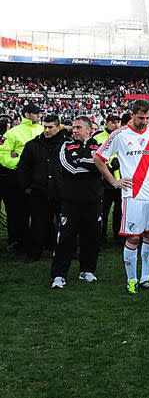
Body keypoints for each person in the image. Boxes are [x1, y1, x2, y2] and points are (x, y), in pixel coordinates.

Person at [94, 100, 149, 294]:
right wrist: (113, 182)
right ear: (131, 115)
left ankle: (146, 278)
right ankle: (131, 279)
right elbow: (99, 158)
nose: (144, 121)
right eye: (141, 117)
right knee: (133, 237)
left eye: (147, 118)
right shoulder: (120, 135)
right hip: (133, 193)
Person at [50, 117, 104, 288]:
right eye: (73, 127)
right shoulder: (65, 146)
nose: (74, 130)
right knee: (65, 239)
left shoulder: (99, 146)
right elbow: (69, 168)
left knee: (92, 238)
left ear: (89, 130)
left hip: (93, 201)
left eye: (79, 127)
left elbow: (104, 167)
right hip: (71, 201)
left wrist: (81, 160)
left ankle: (87, 270)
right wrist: (92, 163)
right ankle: (59, 275)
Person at [17, 114, 66, 263]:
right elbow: (23, 168)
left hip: (61, 192)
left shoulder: (66, 145)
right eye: (45, 126)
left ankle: (67, 250)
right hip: (39, 191)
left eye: (50, 127)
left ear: (58, 127)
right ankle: (34, 252)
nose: (47, 130)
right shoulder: (32, 145)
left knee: (65, 223)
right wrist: (27, 187)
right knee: (38, 224)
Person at [0, 103, 43, 252]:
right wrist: (19, 165)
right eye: (36, 113)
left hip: (38, 177)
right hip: (17, 178)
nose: (39, 115)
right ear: (26, 114)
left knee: (39, 212)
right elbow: (3, 154)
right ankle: (17, 241)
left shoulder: (43, 130)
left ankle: (36, 241)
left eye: (39, 113)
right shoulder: (12, 133)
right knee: (17, 212)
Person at [94, 114, 122, 243]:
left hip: (122, 178)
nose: (116, 125)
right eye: (113, 122)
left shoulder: (123, 136)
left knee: (120, 210)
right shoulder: (98, 137)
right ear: (106, 123)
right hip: (104, 179)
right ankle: (101, 236)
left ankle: (119, 235)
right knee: (103, 210)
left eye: (118, 122)